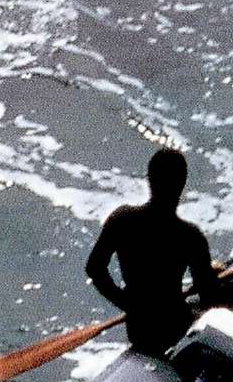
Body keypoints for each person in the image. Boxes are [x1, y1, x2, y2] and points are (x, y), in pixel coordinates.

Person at [85, 147, 225, 355]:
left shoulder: (122, 219)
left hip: (139, 330)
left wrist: (128, 304)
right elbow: (210, 297)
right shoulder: (189, 236)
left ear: (149, 180)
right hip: (176, 329)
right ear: (182, 185)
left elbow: (94, 269)